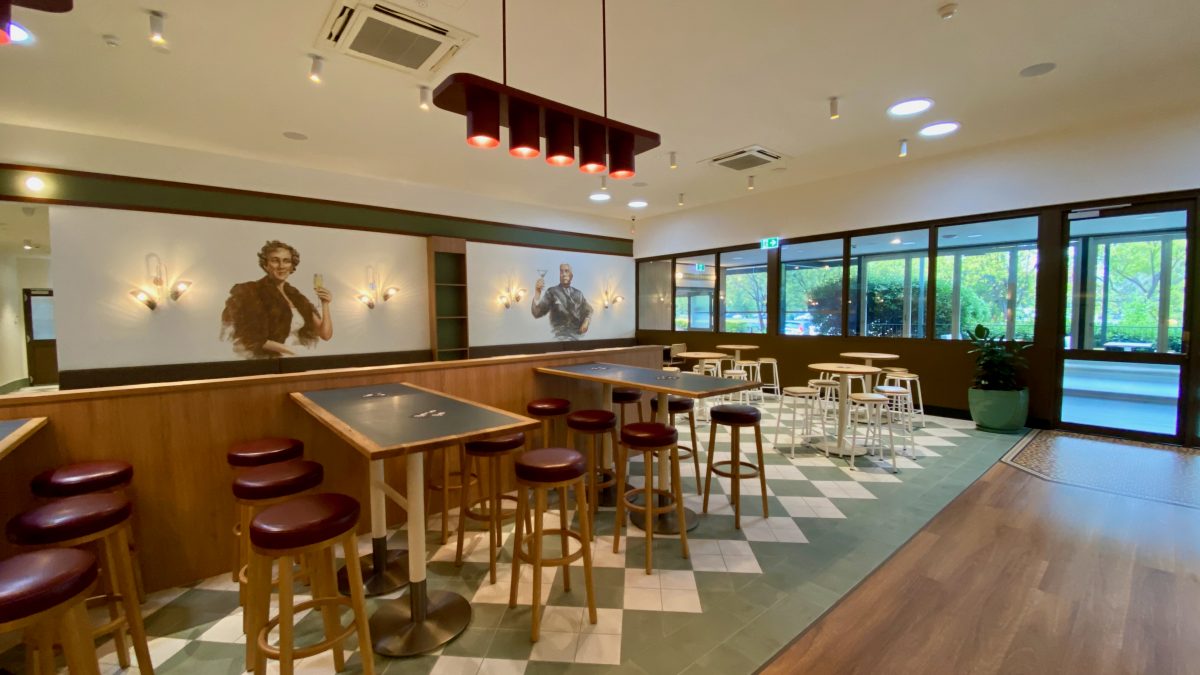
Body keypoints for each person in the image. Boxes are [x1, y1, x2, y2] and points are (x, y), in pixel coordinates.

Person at [221, 240, 333, 358]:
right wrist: (294, 352)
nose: (281, 266)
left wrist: (325, 303)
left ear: (292, 266)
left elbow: (325, 334)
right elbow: (251, 338)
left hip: (295, 358)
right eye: (275, 260)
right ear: (266, 265)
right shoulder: (250, 291)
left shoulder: (296, 296)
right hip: (267, 360)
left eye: (286, 261)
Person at [531, 263, 592, 341]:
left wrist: (587, 320)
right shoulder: (552, 291)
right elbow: (536, 313)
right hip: (559, 336)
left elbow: (589, 310)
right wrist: (537, 292)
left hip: (577, 337)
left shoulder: (578, 293)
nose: (563, 274)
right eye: (561, 272)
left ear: (571, 276)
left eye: (566, 271)